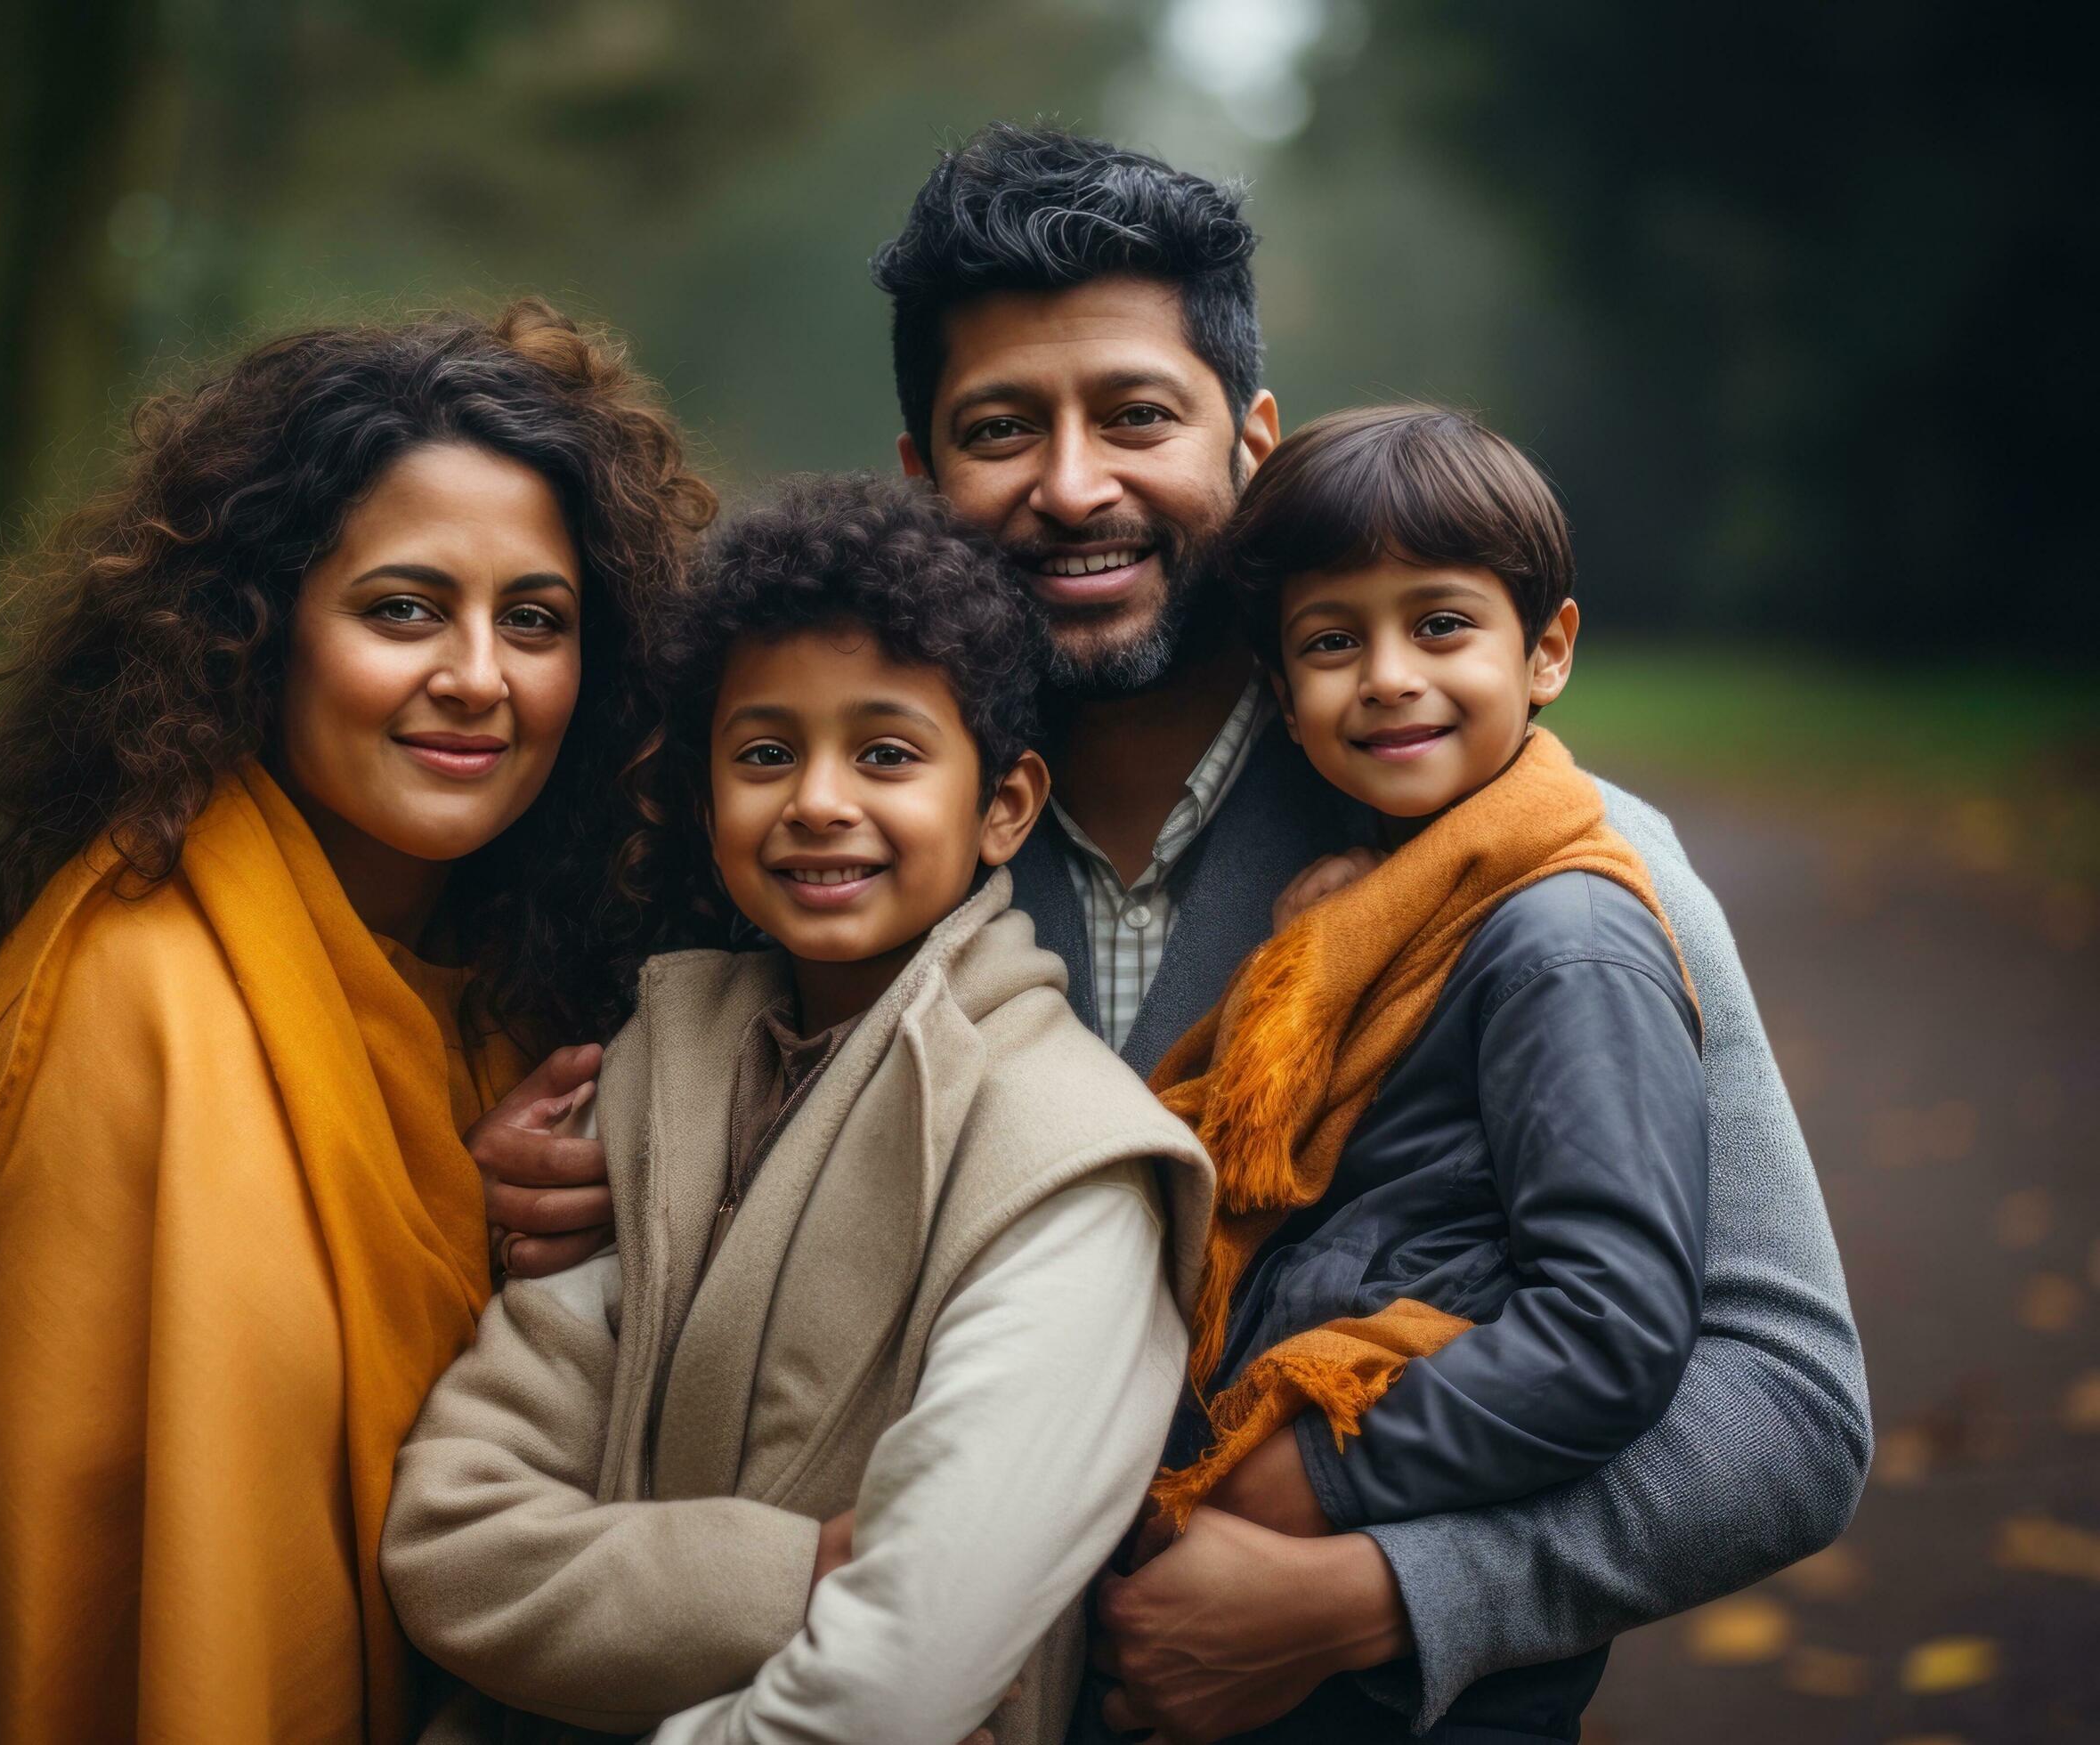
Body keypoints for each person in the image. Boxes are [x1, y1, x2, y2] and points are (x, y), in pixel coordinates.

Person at [474, 126, 1870, 1743]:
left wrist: (1396, 1600)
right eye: (1002, 430)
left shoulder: (1547, 867)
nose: (1076, 489)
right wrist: (556, 1154)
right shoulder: (804, 851)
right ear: (924, 474)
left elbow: (1786, 1408)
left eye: (1137, 416)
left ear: (1254, 442)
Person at [0, 301, 714, 1745]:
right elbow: (58, 1592)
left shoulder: (519, 993)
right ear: (255, 627)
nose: (479, 676)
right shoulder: (134, 999)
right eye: (404, 609)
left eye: (533, 621)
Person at [380, 475, 1215, 1745]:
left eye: (885, 752)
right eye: (766, 753)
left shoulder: (1068, 1159)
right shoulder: (655, 1079)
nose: (818, 800)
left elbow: (901, 1677)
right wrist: (787, 1578)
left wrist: (625, 1587)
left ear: (1005, 807)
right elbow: (450, 1541)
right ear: (709, 796)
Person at [1125, 403, 1709, 1743]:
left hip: (1422, 1680)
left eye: (1440, 625)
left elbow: (1611, 1324)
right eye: (1334, 642)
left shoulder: (1566, 938)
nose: (1388, 675)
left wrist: (1309, 1476)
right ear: (1283, 691)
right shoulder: (1368, 916)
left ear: (1547, 649)